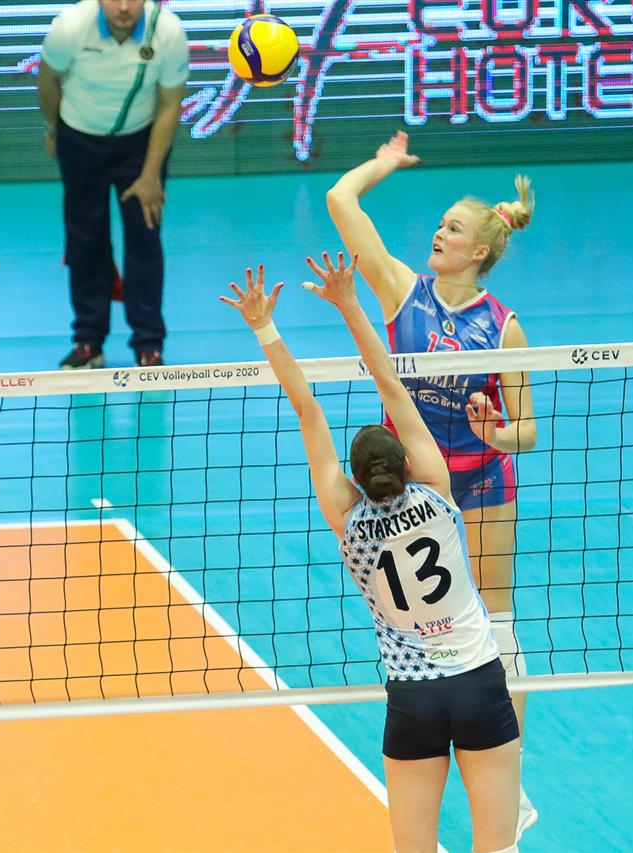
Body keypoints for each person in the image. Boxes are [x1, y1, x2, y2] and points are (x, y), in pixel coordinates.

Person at [222, 255, 521, 853]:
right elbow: (390, 382)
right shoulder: (436, 490)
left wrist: (264, 326)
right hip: (479, 682)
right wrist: (350, 303)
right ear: (408, 464)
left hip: (413, 698)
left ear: (355, 481)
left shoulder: (349, 521)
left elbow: (307, 410)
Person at [325, 131, 538, 835]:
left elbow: (526, 432)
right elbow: (340, 200)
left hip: (481, 482)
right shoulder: (400, 291)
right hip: (411, 490)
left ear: (478, 252)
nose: (438, 234)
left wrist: (494, 433)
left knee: (495, 623)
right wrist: (382, 163)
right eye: (440, 223)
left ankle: (511, 776)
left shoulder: (504, 329)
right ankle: (434, 736)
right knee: (420, 623)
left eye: (452, 228)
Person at [37, 0, 189, 369]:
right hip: (79, 138)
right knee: (84, 238)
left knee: (145, 237)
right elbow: (47, 79)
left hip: (140, 142)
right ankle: (88, 342)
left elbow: (170, 103)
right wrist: (55, 130)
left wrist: (150, 173)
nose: (123, 7)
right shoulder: (70, 27)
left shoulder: (168, 32)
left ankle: (148, 346)